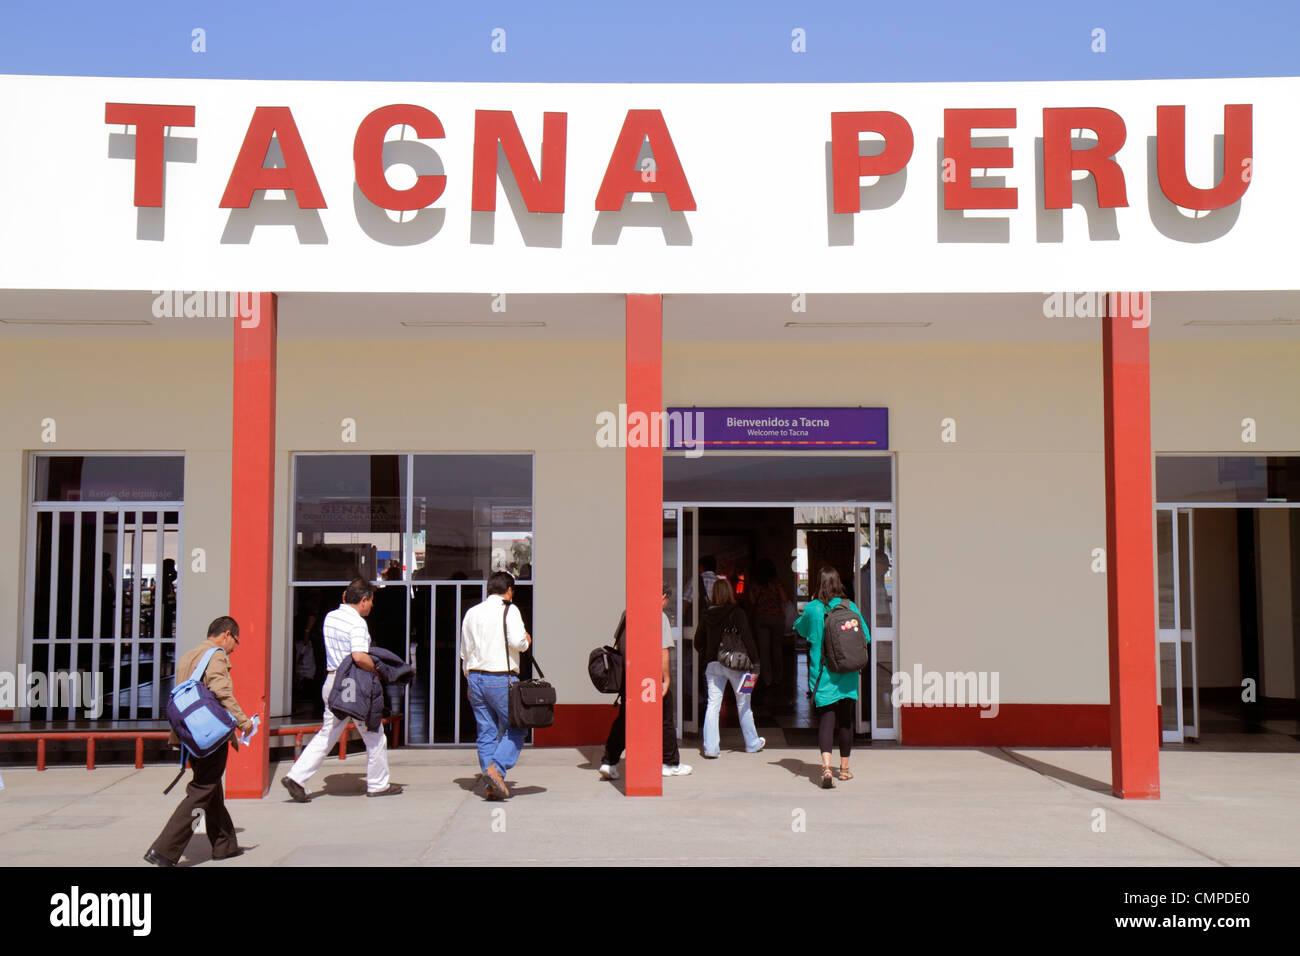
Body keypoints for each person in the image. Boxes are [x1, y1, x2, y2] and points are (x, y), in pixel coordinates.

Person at [144, 616, 254, 866]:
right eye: (236, 641)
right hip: (209, 736)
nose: (235, 648)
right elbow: (221, 691)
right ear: (227, 634)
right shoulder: (216, 656)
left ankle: (225, 845)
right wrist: (243, 721)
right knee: (202, 789)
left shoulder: (189, 655)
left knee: (211, 787)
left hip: (189, 735)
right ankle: (164, 850)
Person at [281, 578, 403, 802]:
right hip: (352, 685)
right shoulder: (357, 623)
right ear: (364, 600)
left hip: (332, 682)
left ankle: (296, 777)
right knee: (374, 734)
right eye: (372, 601)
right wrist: (379, 670)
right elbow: (358, 656)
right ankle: (377, 785)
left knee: (327, 734)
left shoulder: (330, 617)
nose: (372, 606)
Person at [599, 583, 693, 780]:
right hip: (651, 677)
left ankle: (609, 761)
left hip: (629, 675)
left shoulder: (627, 613)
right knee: (665, 718)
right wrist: (666, 679)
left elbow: (618, 643)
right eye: (666, 599)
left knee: (625, 719)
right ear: (663, 597)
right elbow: (662, 651)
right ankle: (669, 763)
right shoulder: (659, 616)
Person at [793, 566, 869, 788]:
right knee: (846, 722)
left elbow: (800, 629)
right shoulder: (850, 606)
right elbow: (866, 636)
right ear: (838, 583)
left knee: (827, 721)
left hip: (825, 675)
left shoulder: (814, 608)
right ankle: (844, 770)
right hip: (848, 674)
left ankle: (826, 768)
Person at [460, 570, 532, 799]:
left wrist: (469, 680)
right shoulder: (509, 609)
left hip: (475, 677)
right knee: (518, 726)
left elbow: (465, 652)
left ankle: (491, 786)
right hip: (500, 677)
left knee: (486, 731)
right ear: (509, 591)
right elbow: (518, 642)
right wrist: (528, 639)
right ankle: (496, 770)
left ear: (488, 589)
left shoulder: (472, 612)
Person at [697, 578, 765, 758]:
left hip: (712, 664)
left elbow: (698, 642)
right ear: (729, 592)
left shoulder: (706, 614)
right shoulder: (737, 613)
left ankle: (711, 748)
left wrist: (708, 652)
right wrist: (756, 662)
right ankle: (752, 743)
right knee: (743, 704)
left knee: (713, 705)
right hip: (737, 664)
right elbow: (748, 639)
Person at [749, 557, 788, 690]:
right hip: (777, 618)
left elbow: (752, 602)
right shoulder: (777, 583)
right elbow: (784, 599)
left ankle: (767, 680)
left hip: (761, 618)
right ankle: (779, 678)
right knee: (777, 649)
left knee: (763, 651)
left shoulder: (755, 584)